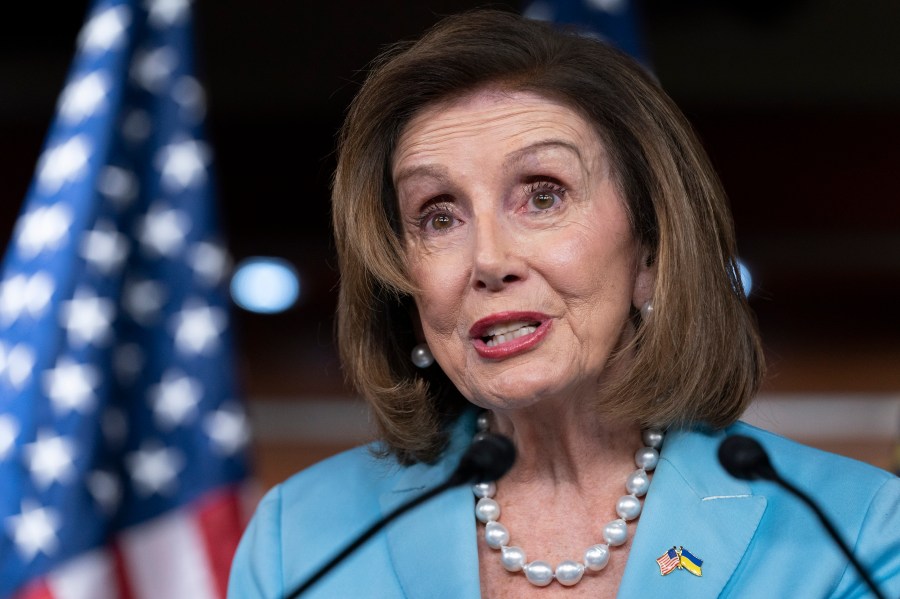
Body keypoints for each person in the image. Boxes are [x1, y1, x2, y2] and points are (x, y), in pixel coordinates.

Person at [227, 8, 900, 598]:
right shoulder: (301, 539)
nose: (488, 259)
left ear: (651, 251)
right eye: (437, 216)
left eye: (543, 194)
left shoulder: (851, 527)